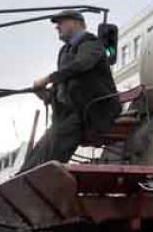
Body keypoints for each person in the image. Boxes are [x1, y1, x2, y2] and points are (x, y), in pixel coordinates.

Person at [19, 10, 121, 172]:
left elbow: (81, 66)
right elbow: (65, 85)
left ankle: (36, 177)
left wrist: (48, 79)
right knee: (45, 141)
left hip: (94, 111)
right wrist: (47, 95)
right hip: (73, 113)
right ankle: (21, 177)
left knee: (59, 133)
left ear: (75, 23)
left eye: (61, 22)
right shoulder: (64, 51)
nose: (57, 27)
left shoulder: (92, 44)